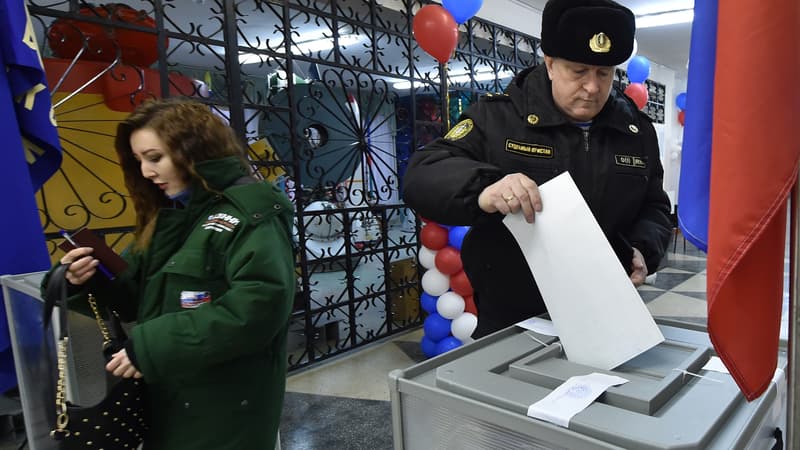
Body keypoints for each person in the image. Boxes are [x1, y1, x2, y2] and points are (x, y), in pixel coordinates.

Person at [402, 0, 672, 338]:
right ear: (550, 64)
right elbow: (422, 174)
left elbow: (655, 206)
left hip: (607, 311)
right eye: (579, 71)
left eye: (604, 74)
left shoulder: (636, 131)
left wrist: (643, 248)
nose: (592, 87)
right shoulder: (497, 119)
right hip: (513, 318)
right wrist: (487, 188)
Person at [43, 98, 296, 449]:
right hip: (170, 394)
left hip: (227, 402)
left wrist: (149, 346)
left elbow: (258, 309)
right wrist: (86, 277)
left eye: (155, 158)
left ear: (195, 150)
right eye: (139, 161)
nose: (146, 172)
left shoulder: (250, 215)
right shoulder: (170, 217)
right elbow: (133, 297)